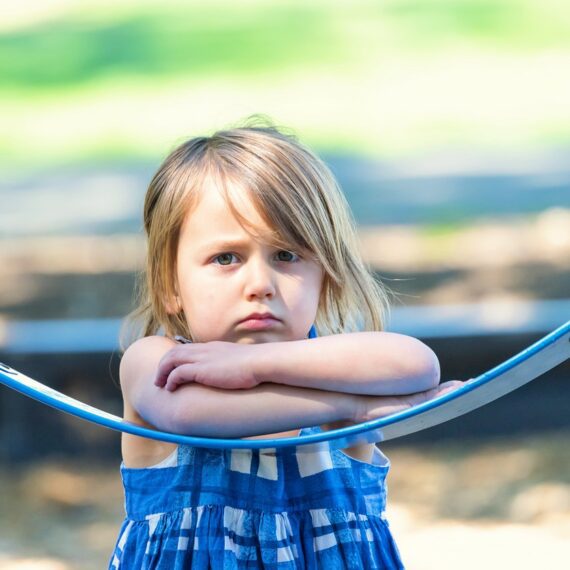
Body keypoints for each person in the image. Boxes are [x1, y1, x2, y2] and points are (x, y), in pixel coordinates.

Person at [109, 120, 461, 569]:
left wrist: (254, 364)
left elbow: (419, 365)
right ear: (169, 284)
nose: (260, 283)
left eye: (287, 256)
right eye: (226, 258)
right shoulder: (157, 360)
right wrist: (353, 408)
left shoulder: (335, 364)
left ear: (326, 276)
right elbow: (186, 413)